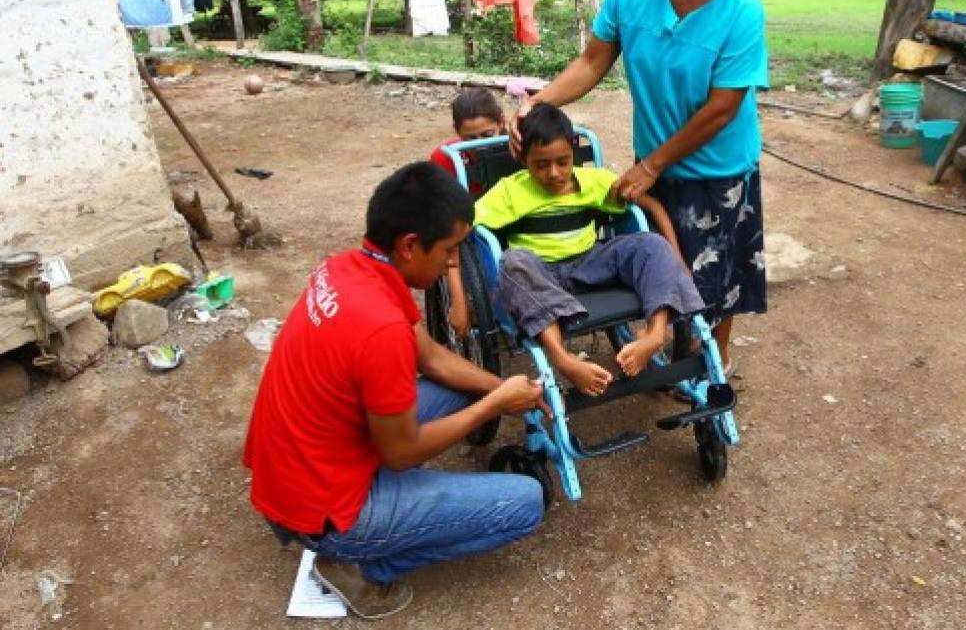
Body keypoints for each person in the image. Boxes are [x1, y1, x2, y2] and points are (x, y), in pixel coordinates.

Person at [243, 163, 547, 621]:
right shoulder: (379, 330)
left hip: (301, 468)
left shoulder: (350, 267)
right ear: (409, 245)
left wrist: (499, 389)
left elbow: (433, 358)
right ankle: (358, 563)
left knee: (463, 391)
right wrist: (497, 404)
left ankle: (382, 516)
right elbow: (401, 452)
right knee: (525, 504)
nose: (452, 264)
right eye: (449, 250)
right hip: (325, 512)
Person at [509, 0, 769, 376]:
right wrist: (537, 102)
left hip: (717, 167)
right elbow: (591, 63)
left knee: (715, 274)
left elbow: (721, 108)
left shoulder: (742, 10)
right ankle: (671, 348)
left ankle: (713, 361)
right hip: (655, 161)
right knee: (662, 262)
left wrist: (651, 165)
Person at [477, 102, 705, 396]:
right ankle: (563, 359)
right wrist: (458, 294)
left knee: (650, 243)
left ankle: (655, 333)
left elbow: (652, 206)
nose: (555, 173)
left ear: (573, 151)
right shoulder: (510, 191)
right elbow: (463, 228)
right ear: (523, 160)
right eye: (541, 165)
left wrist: (676, 258)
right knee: (513, 261)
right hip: (540, 273)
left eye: (563, 161)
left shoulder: (594, 182)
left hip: (589, 263)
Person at [428, 87, 506, 336]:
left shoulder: (517, 148)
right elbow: (448, 233)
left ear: (501, 123)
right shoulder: (445, 160)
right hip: (466, 229)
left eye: (487, 134)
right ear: (457, 133)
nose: (479, 146)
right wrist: (458, 301)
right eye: (470, 139)